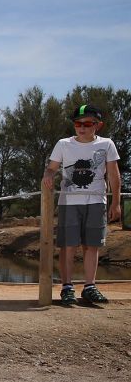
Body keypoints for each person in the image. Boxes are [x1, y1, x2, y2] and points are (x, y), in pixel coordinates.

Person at [42, 105, 122, 305]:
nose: (82, 128)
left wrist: (116, 202)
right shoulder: (63, 144)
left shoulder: (107, 144)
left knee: (92, 245)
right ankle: (67, 287)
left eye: (87, 124)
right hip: (69, 201)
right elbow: (51, 168)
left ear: (98, 125)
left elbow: (114, 175)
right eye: (78, 123)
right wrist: (48, 176)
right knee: (68, 245)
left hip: (96, 201)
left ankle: (89, 286)